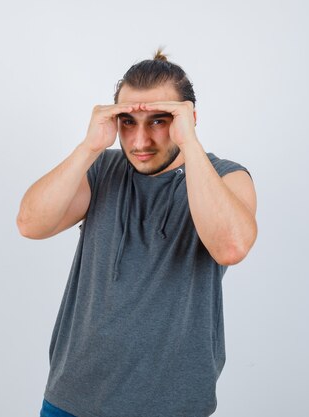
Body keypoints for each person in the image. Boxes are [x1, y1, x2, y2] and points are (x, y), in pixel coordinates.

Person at [17, 50, 258, 417]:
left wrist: (190, 144)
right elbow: (30, 224)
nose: (140, 140)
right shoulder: (103, 168)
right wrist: (90, 147)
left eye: (159, 120)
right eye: (127, 122)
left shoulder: (225, 176)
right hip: (71, 399)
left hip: (171, 407)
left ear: (189, 118)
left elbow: (232, 246)